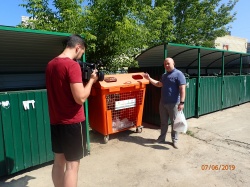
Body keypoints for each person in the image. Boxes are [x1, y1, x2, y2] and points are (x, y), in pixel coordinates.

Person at [46, 34, 98, 187]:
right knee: (72, 166)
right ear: (78, 47)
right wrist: (91, 81)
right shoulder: (72, 65)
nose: (80, 58)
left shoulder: (50, 65)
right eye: (81, 53)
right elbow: (80, 98)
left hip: (56, 121)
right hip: (72, 123)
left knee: (58, 163)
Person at [143, 57, 186, 149]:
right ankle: (161, 138)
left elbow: (182, 89)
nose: (166, 65)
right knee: (163, 122)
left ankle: (175, 141)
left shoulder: (179, 74)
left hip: (174, 103)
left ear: (173, 63)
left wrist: (181, 102)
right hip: (163, 103)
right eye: (165, 64)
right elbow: (158, 84)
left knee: (175, 123)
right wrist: (149, 78)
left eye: (168, 63)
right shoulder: (164, 76)